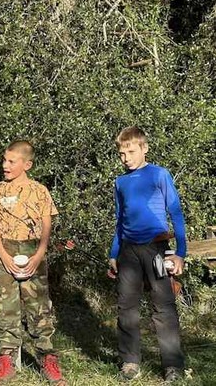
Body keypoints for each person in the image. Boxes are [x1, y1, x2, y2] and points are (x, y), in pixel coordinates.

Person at [0, 141, 65, 383]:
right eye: (4, 160)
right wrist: (3, 254)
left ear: (26, 164)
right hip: (6, 250)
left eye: (11, 161)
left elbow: (47, 223)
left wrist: (39, 253)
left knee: (39, 305)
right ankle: (6, 359)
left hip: (33, 251)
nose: (5, 165)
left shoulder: (39, 190)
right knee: (6, 306)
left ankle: (47, 358)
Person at [108, 126, 186, 382]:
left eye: (131, 152)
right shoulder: (120, 182)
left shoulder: (159, 174)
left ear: (144, 148)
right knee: (126, 307)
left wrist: (180, 254)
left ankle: (173, 366)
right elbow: (120, 220)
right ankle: (130, 362)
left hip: (157, 248)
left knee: (163, 307)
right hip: (129, 250)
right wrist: (113, 253)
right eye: (122, 153)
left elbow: (175, 214)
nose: (126, 158)